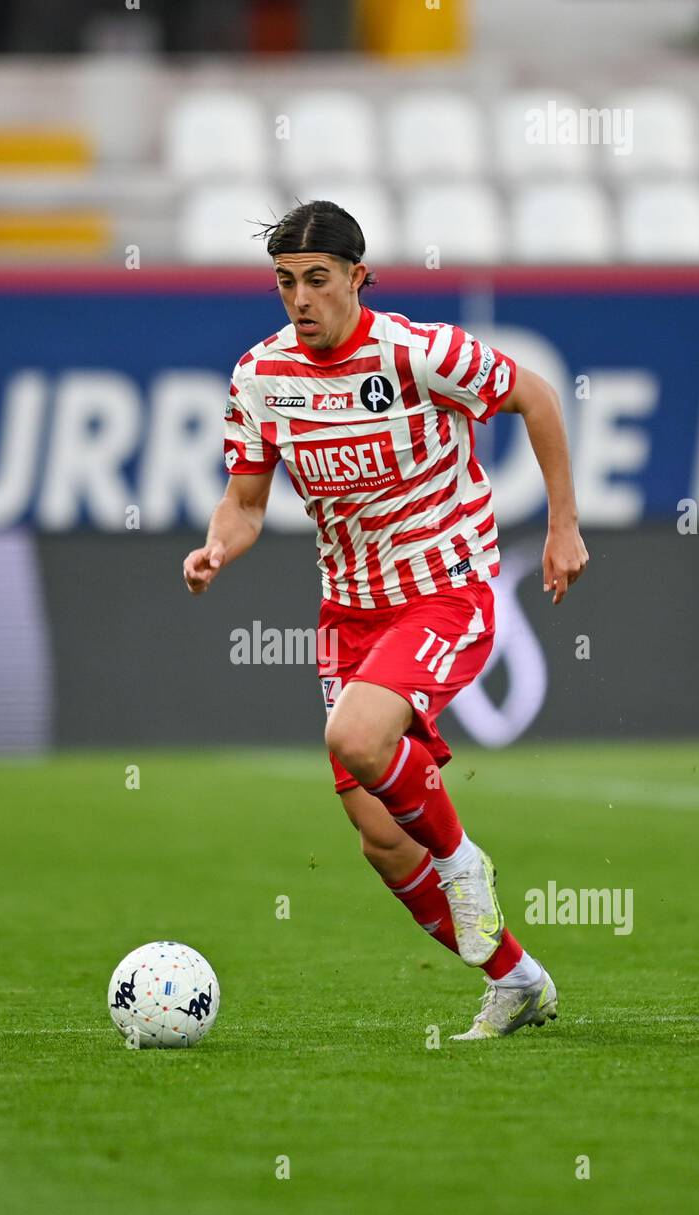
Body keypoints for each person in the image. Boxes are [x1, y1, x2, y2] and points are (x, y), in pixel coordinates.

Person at [183, 200, 588, 1040]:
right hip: (350, 612)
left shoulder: (417, 352)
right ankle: (516, 979)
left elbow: (537, 398)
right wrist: (219, 547)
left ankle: (462, 860)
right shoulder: (259, 378)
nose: (301, 298)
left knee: (356, 740)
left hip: (446, 588)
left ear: (358, 277)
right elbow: (246, 503)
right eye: (286, 282)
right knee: (378, 835)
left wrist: (561, 525)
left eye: (318, 280)